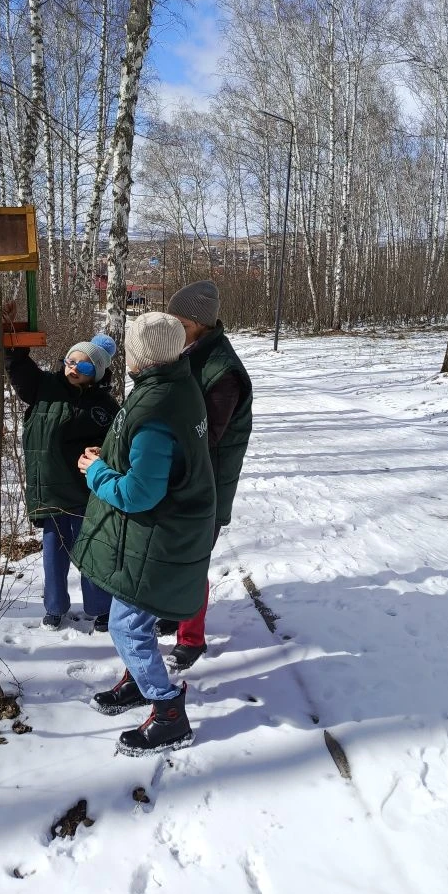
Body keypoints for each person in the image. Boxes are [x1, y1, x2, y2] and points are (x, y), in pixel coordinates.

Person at [71, 312, 216, 756]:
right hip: (159, 533)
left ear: (142, 355)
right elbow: (152, 457)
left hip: (157, 538)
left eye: (131, 347)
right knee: (132, 622)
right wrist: (111, 453)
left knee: (126, 625)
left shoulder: (156, 409)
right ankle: (138, 679)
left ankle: (168, 712)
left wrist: (96, 472)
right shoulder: (175, 385)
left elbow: (138, 494)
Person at [4, 302, 119, 631]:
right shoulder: (44, 387)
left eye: (82, 366)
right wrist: (11, 333)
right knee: (54, 552)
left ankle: (100, 608)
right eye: (70, 361)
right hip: (51, 489)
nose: (73, 368)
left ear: (96, 373)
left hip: (85, 491)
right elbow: (18, 365)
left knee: (91, 549)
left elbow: (116, 442)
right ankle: (54, 607)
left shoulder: (104, 405)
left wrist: (102, 451)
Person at [157, 280, 253, 671]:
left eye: (179, 323)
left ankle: (192, 639)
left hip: (206, 485)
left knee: (192, 563)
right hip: (182, 477)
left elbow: (206, 435)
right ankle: (173, 610)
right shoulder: (189, 352)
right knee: (169, 556)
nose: (173, 329)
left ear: (200, 324)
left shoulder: (223, 371)